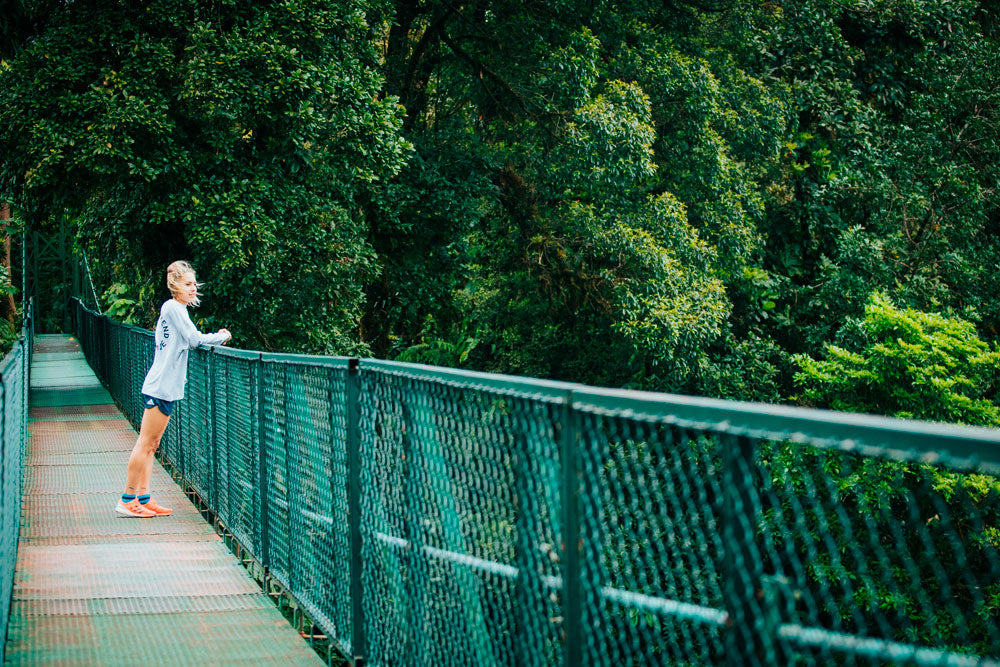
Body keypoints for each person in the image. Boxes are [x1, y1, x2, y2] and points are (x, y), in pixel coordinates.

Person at [115, 261, 231, 518]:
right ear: (176, 285)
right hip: (161, 387)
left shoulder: (175, 309)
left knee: (152, 444)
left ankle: (143, 497)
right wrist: (220, 336)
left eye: (194, 284)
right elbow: (194, 339)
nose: (193, 289)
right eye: (188, 284)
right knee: (145, 443)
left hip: (165, 387)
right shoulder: (173, 308)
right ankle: (127, 499)